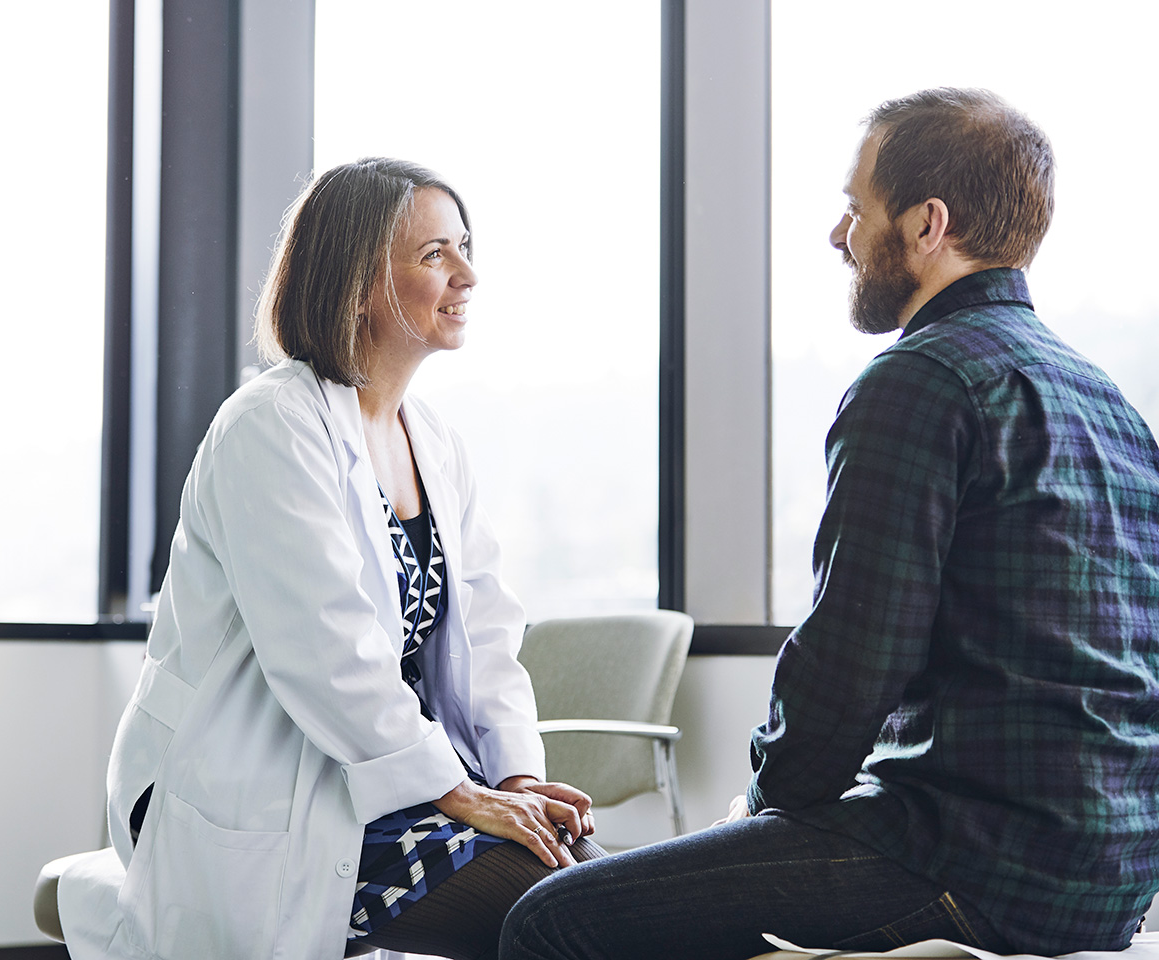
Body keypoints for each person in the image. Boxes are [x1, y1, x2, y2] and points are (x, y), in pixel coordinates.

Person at [501, 88, 1159, 960]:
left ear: (927, 224)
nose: (838, 234)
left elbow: (851, 663)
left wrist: (759, 809)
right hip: (1112, 875)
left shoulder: (922, 381)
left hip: (972, 860)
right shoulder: (1108, 404)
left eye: (856, 207)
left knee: (549, 921)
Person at [62, 158, 603, 960]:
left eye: (464, 247)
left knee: (600, 882)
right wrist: (460, 792)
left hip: (384, 781)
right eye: (435, 255)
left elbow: (487, 636)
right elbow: (325, 651)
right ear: (355, 285)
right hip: (250, 787)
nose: (467, 275)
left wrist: (516, 778)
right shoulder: (269, 426)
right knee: (569, 917)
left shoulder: (436, 443)